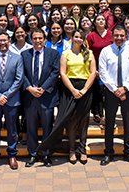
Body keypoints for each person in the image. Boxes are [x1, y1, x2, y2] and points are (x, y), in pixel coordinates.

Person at [39, 29, 96, 165]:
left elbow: (93, 72)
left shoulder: (90, 53)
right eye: (76, 37)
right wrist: (73, 90)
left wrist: (84, 89)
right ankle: (71, 150)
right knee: (71, 120)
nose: (78, 39)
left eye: (81, 37)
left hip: (85, 87)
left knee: (83, 120)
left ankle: (82, 150)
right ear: (72, 38)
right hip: (69, 87)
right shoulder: (65, 54)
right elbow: (63, 73)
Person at [99, 26, 129, 166]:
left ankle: (128, 152)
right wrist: (115, 89)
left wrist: (124, 88)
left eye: (121, 35)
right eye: (116, 35)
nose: (119, 38)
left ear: (126, 36)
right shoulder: (106, 51)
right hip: (110, 91)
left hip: (128, 91)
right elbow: (103, 72)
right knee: (109, 122)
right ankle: (108, 152)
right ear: (112, 36)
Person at [21, 29, 60, 167]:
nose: (38, 41)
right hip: (30, 96)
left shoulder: (53, 54)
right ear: (31, 40)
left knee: (47, 127)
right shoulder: (24, 54)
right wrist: (30, 88)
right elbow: (21, 74)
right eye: (35, 38)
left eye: (40, 38)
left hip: (46, 96)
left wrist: (43, 88)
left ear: (44, 39)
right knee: (31, 127)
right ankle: (32, 154)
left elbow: (55, 72)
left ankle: (46, 154)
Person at [0, 32, 24, 170]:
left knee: (12, 129)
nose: (2, 43)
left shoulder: (17, 58)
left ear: (9, 42)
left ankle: (12, 155)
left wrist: (5, 95)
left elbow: (19, 79)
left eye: (5, 40)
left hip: (11, 100)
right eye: (0, 41)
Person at [86, 14, 113, 126]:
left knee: (109, 92)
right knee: (98, 92)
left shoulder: (111, 34)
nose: (101, 21)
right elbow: (89, 53)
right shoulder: (91, 36)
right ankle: (101, 117)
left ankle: (110, 117)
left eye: (103, 19)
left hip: (110, 65)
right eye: (98, 19)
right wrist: (94, 69)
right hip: (96, 64)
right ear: (95, 23)